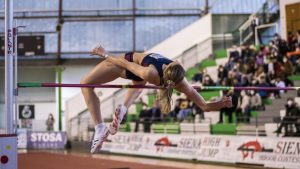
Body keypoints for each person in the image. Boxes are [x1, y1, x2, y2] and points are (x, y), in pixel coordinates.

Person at [81, 45, 232, 153]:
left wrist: (105, 54)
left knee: (85, 84)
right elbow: (205, 106)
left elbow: (125, 63)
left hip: (129, 65)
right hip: (141, 75)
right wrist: (221, 104)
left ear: (167, 69)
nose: (170, 61)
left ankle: (100, 127)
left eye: (169, 64)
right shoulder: (182, 82)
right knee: (139, 85)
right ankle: (124, 109)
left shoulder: (151, 73)